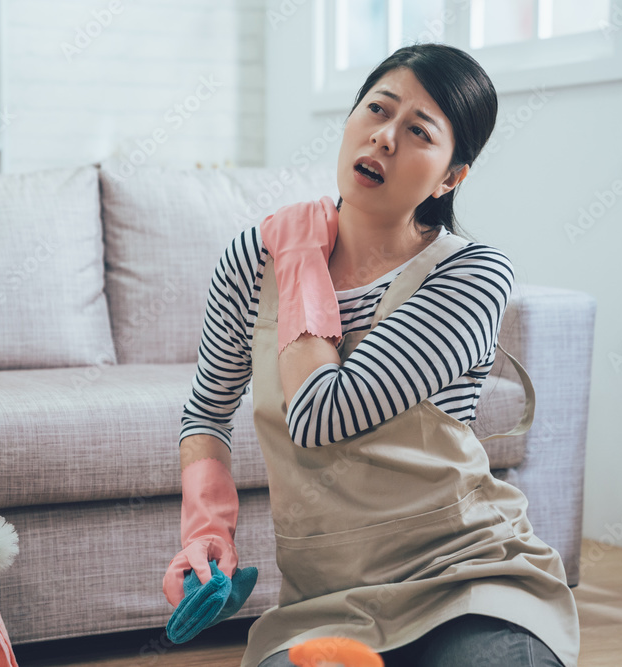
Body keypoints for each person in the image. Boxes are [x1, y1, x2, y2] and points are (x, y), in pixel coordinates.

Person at [165, 43, 581, 667]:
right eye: (377, 110)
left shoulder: (471, 274)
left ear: (450, 177)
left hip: (469, 578)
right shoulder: (251, 260)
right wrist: (206, 531)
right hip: (326, 599)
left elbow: (320, 416)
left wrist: (302, 258)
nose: (385, 137)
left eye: (418, 131)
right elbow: (206, 415)